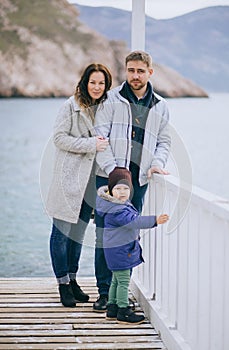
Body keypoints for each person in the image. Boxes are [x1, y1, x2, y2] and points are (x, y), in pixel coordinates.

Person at [93, 50, 171, 312]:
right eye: (131, 70)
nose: (135, 76)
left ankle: (120, 292)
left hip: (139, 181)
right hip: (110, 181)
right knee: (105, 238)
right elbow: (100, 137)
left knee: (128, 236)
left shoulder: (160, 105)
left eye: (140, 71)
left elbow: (164, 141)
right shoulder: (111, 99)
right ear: (125, 71)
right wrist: (114, 171)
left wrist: (157, 164)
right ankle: (104, 293)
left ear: (150, 72)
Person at [46, 63, 112, 307]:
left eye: (101, 83)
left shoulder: (106, 109)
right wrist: (90, 144)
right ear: (85, 82)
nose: (96, 87)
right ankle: (63, 284)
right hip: (68, 179)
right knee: (61, 234)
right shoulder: (70, 106)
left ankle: (73, 280)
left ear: (106, 86)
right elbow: (59, 138)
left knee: (77, 235)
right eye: (93, 82)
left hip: (91, 182)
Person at [96, 167, 169, 324]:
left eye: (126, 188)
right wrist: (155, 220)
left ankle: (112, 307)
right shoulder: (116, 209)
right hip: (119, 251)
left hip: (116, 250)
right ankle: (123, 310)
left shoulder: (117, 204)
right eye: (118, 188)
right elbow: (134, 221)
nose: (122, 192)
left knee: (116, 280)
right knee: (123, 281)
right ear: (110, 190)